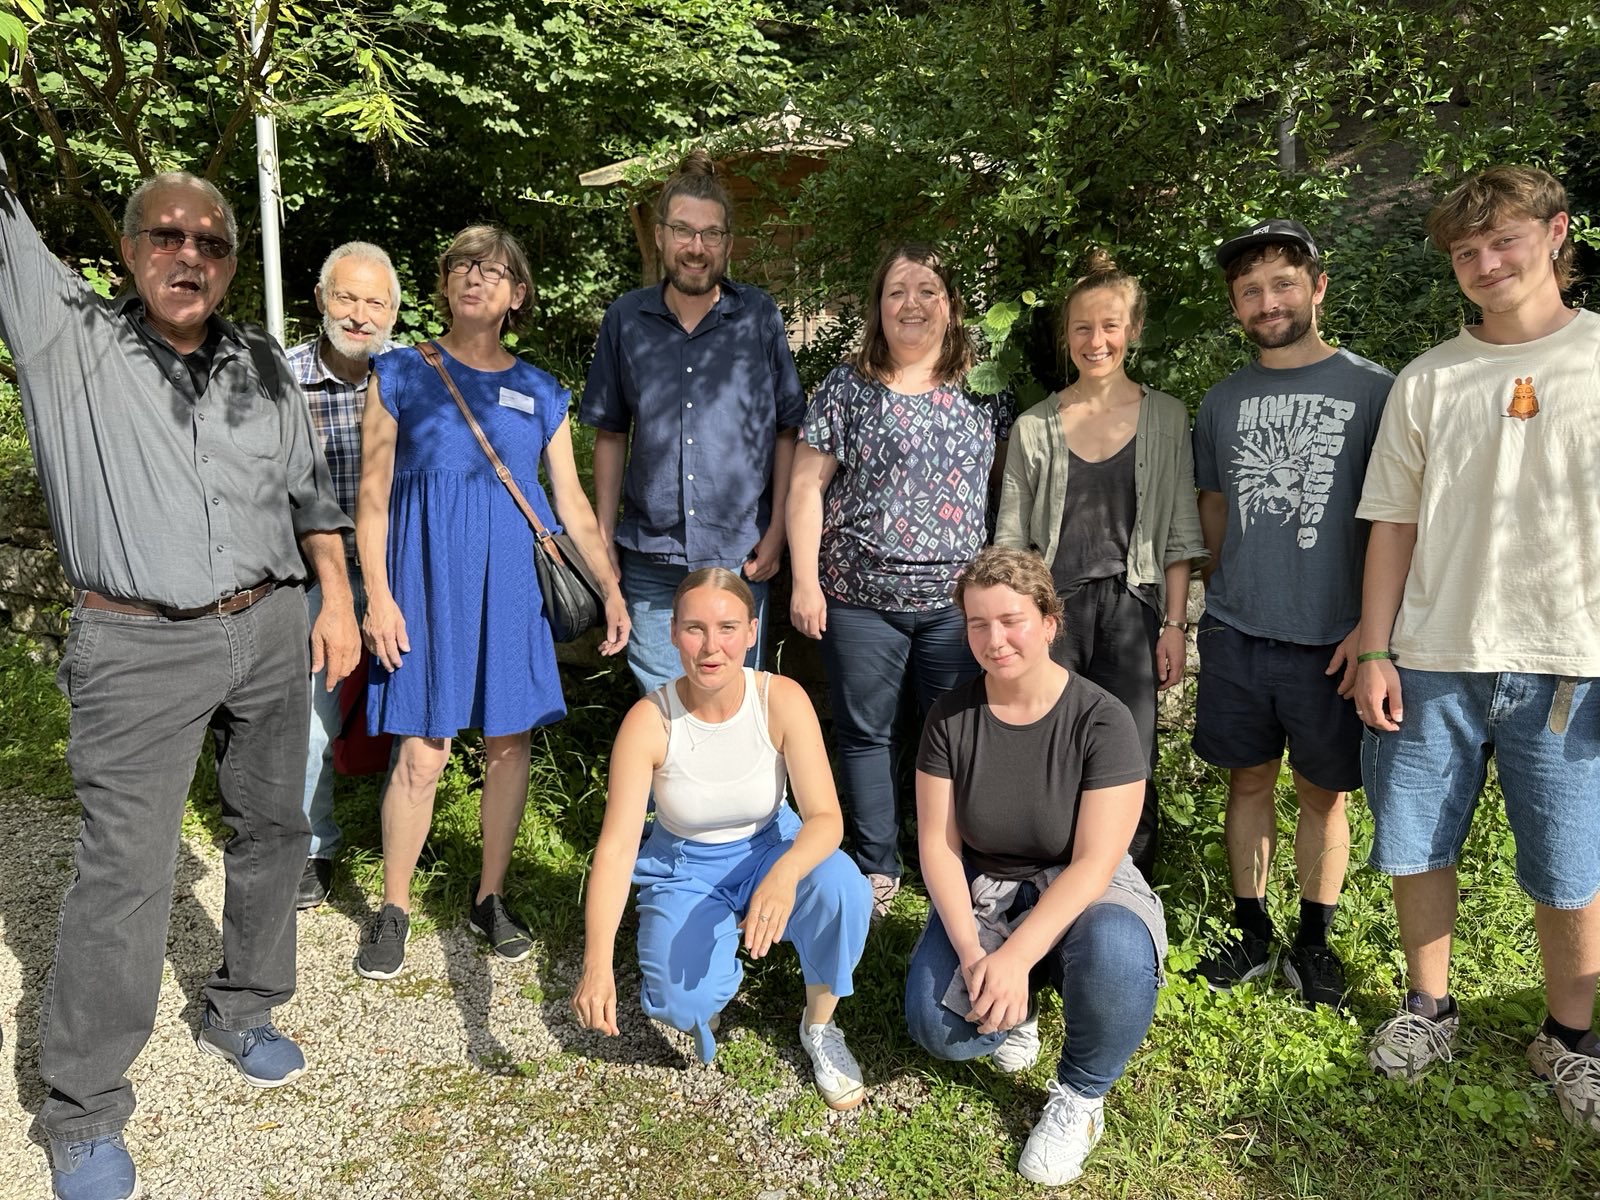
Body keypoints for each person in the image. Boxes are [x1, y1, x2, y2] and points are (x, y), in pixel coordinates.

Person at [1, 161, 358, 1200]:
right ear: (125, 250)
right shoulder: (68, 339)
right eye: (166, 235)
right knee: (126, 873)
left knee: (275, 830)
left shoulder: (262, 366)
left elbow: (309, 493)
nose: (188, 254)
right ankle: (83, 1108)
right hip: (135, 645)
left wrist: (332, 597)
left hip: (272, 620)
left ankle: (242, 1009)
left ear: (234, 263)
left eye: (210, 242)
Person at [1354, 166, 1600, 1132]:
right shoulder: (1429, 379)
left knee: (1572, 863)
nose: (1487, 263)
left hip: (1569, 661)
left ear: (1555, 233)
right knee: (1418, 846)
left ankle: (1570, 1039)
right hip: (1434, 653)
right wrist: (1375, 651)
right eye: (1466, 252)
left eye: (1503, 240)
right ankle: (1429, 1008)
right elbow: (1391, 525)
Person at [353, 225, 629, 979]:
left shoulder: (542, 391)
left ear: (518, 295)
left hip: (511, 587)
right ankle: (396, 907)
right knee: (423, 751)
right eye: (463, 267)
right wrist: (377, 595)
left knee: (510, 745)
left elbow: (571, 503)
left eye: (496, 270)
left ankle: (489, 897)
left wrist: (609, 587)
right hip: (424, 582)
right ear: (443, 284)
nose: (477, 278)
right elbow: (371, 499)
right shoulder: (399, 373)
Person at [904, 547, 1163, 1186]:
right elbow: (938, 846)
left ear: (1049, 622)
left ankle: (1080, 1096)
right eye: (977, 624)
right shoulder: (949, 717)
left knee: (1117, 954)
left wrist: (1015, 957)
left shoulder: (1102, 719)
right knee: (941, 1030)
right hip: (988, 887)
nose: (994, 640)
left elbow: (1097, 860)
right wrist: (972, 952)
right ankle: (1020, 1006)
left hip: (1084, 885)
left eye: (1011, 620)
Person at [572, 568, 872, 1109]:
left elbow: (826, 817)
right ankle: (712, 965)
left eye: (728, 628)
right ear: (672, 633)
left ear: (752, 632)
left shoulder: (780, 699)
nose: (712, 647)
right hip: (684, 863)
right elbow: (617, 847)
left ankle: (821, 1026)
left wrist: (783, 875)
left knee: (845, 889)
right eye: (694, 629)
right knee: (680, 1004)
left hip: (771, 844)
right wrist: (596, 963)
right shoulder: (649, 720)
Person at [1190, 219, 1392, 1008]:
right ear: (1236, 307)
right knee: (1246, 783)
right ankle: (1249, 931)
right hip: (1239, 629)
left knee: (1321, 793)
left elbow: (1395, 521)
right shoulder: (1224, 399)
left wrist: (1373, 629)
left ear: (1317, 288)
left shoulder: (1374, 390)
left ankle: (1314, 941)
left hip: (1331, 639)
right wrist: (1221, 590)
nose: (1267, 302)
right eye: (1250, 291)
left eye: (1281, 284)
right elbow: (1214, 505)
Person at [789, 242, 1012, 919]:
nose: (911, 304)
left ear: (951, 304)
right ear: (877, 307)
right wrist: (805, 581)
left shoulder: (985, 387)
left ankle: (951, 856)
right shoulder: (845, 387)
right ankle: (878, 864)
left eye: (926, 290)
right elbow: (805, 486)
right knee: (865, 733)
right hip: (859, 599)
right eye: (896, 292)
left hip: (956, 606)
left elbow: (1010, 488)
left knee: (955, 732)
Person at [994, 249, 1206, 880]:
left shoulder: (1167, 418)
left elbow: (1179, 533)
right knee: (1049, 741)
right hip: (1052, 612)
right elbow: (1010, 540)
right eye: (1083, 327)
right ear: (1067, 335)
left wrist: (1174, 625)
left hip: (1133, 609)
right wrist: (1015, 623)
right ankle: (1046, 871)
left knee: (1129, 749)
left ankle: (1128, 879)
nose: (1096, 340)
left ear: (1133, 329)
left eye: (1110, 326)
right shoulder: (1035, 427)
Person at [580, 150, 805, 695]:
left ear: (728, 243)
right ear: (660, 236)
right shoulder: (626, 320)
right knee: (663, 709)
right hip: (651, 555)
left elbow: (786, 429)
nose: (696, 247)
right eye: (683, 230)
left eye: (710, 234)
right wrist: (603, 537)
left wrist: (776, 534)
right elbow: (610, 434)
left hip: (738, 554)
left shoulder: (758, 316)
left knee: (733, 704)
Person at [289, 241, 402, 909]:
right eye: (347, 297)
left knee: (414, 715)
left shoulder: (411, 377)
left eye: (375, 302)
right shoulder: (283, 376)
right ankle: (312, 847)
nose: (360, 314)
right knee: (307, 720)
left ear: (392, 311)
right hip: (311, 577)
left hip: (400, 577)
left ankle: (401, 842)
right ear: (322, 300)